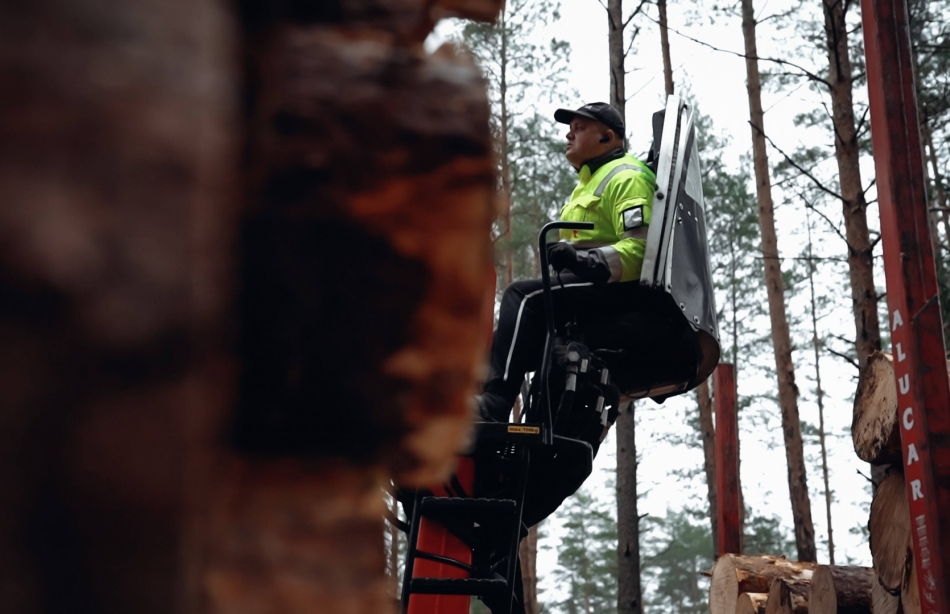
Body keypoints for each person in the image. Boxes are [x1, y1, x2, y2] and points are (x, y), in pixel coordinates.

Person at [479, 102, 657, 421]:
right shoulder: (590, 182)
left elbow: (641, 250)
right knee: (512, 342)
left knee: (522, 298)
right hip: (593, 286)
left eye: (579, 128)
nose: (568, 134)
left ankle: (495, 404)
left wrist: (583, 260)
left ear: (607, 136)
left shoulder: (626, 177)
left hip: (618, 287)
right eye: (569, 129)